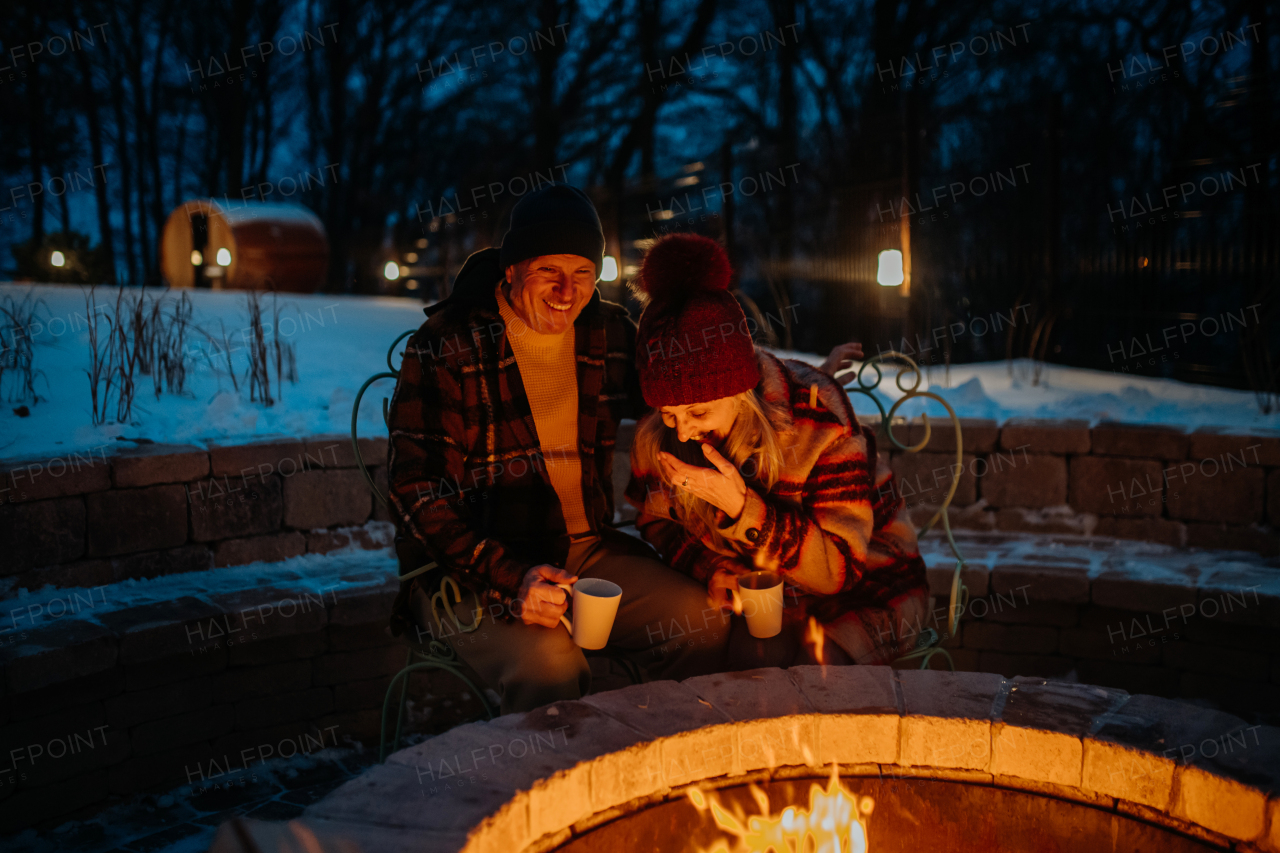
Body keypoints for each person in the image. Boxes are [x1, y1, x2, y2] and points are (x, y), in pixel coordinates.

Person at [385, 184, 731, 714]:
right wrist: (510, 578)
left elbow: (690, 384)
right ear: (512, 268)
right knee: (552, 663)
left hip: (583, 554)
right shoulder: (448, 342)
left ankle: (662, 770)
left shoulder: (608, 331)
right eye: (550, 271)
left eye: (584, 274)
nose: (568, 292)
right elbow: (415, 492)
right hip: (469, 574)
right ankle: (545, 789)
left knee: (701, 623)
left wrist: (791, 384)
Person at [625, 232, 930, 668]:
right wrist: (711, 568)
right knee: (743, 672)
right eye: (670, 413)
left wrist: (742, 509)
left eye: (697, 412)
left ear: (740, 391)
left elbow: (838, 572)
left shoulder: (817, 426)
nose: (684, 431)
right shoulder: (661, 434)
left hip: (869, 581)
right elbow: (656, 522)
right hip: (766, 594)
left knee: (814, 672)